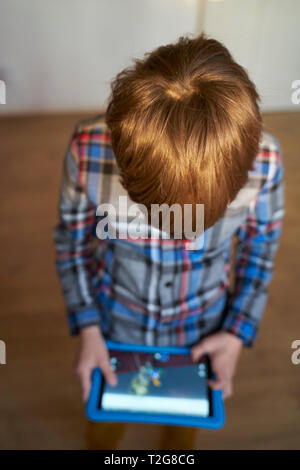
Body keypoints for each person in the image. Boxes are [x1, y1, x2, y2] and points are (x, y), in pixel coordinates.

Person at [54, 33, 284, 448]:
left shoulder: (266, 163)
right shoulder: (87, 149)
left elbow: (260, 251)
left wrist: (235, 332)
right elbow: (71, 243)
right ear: (126, 170)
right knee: (103, 432)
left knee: (181, 438)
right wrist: (87, 326)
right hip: (113, 327)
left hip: (201, 334)